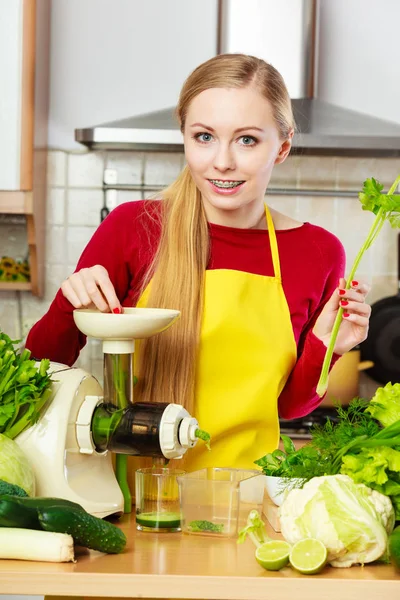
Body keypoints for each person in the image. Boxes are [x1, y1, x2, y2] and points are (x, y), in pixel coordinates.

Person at [26, 54, 371, 471]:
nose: (222, 161)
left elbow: (289, 405)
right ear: (185, 137)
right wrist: (70, 303)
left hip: (245, 499)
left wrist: (327, 344)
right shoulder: (134, 228)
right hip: (135, 497)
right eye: (204, 136)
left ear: (281, 146)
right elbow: (38, 373)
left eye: (247, 140)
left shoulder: (317, 251)